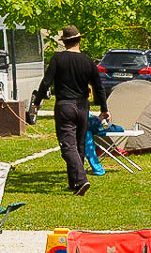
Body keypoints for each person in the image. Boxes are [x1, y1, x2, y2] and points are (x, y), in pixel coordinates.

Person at [29, 26, 107, 195]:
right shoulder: (88, 61)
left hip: (65, 105)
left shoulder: (58, 58)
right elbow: (99, 87)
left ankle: (81, 180)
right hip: (82, 106)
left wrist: (37, 103)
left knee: (67, 145)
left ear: (64, 42)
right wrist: (104, 109)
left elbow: (46, 82)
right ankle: (74, 184)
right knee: (79, 145)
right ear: (79, 40)